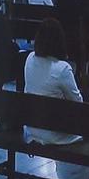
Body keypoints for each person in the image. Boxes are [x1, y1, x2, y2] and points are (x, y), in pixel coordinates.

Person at [20, 18, 84, 146]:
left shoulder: (29, 59)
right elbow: (78, 103)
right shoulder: (62, 68)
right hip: (56, 133)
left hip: (32, 128)